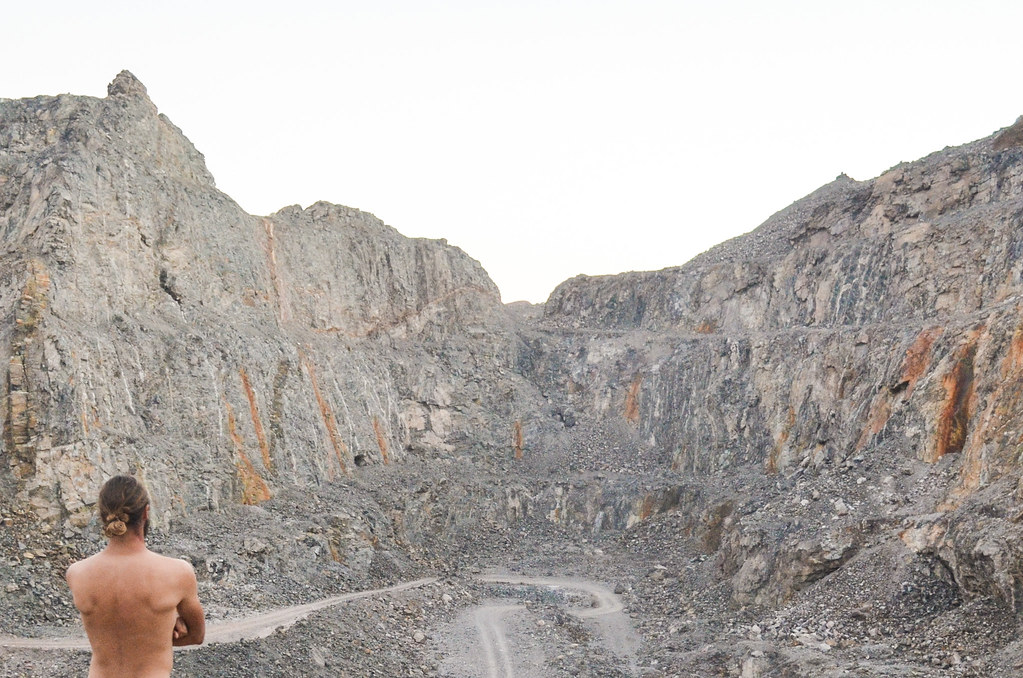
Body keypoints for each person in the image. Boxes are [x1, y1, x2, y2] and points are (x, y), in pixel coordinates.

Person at [66, 475, 205, 677]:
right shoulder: (177, 572)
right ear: (146, 512)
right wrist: (161, 630)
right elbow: (197, 635)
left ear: (103, 515)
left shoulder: (77, 573)